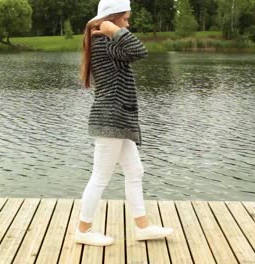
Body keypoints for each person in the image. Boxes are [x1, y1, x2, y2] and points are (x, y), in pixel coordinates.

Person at [75, 0, 174, 246]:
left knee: (134, 171)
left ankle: (142, 227)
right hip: (111, 119)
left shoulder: (107, 42)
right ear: (113, 17)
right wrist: (112, 30)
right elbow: (140, 50)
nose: (129, 24)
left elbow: (134, 50)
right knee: (100, 176)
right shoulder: (104, 42)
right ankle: (83, 230)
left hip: (117, 119)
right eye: (126, 19)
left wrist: (115, 31)